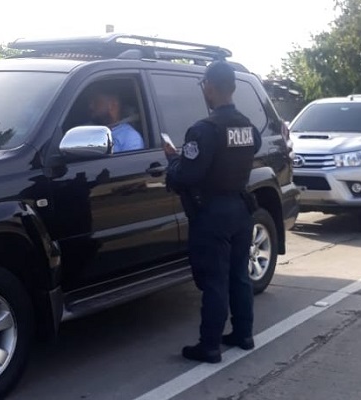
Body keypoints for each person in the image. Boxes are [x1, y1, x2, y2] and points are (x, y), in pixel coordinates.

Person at [163, 61, 262, 363]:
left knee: (215, 280)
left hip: (213, 213)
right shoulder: (248, 126)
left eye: (204, 84)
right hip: (240, 209)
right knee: (238, 276)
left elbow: (188, 175)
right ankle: (243, 334)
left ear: (210, 86)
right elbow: (246, 152)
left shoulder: (204, 130)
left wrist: (173, 161)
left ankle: (209, 346)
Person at [88, 86, 145, 153]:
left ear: (112, 105)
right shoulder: (88, 129)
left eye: (96, 102)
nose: (90, 106)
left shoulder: (130, 138)